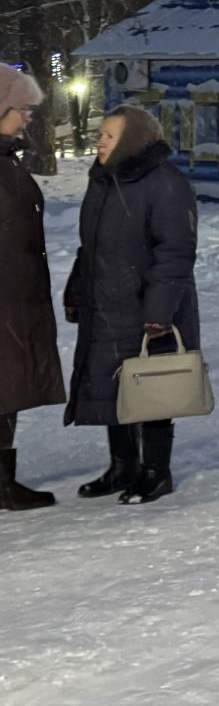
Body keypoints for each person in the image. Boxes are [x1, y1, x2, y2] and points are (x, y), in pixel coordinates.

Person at [64, 105, 198, 505]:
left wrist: (158, 311)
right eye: (100, 134)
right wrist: (76, 290)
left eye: (108, 135)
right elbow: (90, 248)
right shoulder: (104, 181)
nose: (99, 141)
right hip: (105, 302)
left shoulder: (165, 183)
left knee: (151, 386)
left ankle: (157, 472)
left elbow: (175, 253)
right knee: (110, 383)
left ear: (132, 139)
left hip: (146, 306)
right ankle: (123, 466)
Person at [0, 66, 64, 509]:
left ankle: (4, 482)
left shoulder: (7, 160)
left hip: (13, 294)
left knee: (8, 388)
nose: (26, 117)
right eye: (20, 108)